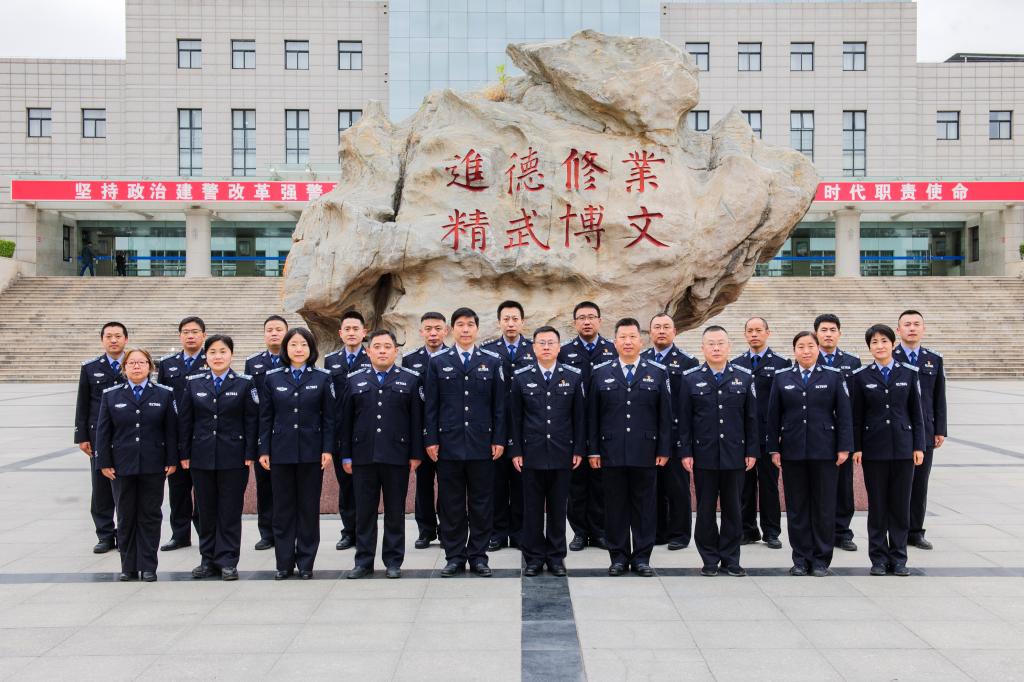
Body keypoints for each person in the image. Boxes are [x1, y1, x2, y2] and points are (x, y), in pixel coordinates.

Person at [424, 307, 506, 577]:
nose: (466, 329)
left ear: (477, 329)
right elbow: (431, 406)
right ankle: (454, 556)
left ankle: (479, 556)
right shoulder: (438, 362)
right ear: (452, 329)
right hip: (448, 444)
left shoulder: (491, 361)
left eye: (470, 324)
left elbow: (499, 405)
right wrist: (431, 439)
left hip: (482, 444)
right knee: (451, 504)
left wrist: (499, 438)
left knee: (482, 504)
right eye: (460, 324)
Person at [587, 318, 671, 577]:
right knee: (615, 508)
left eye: (632, 337)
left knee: (645, 508)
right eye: (622, 337)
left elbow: (665, 415)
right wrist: (593, 450)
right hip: (611, 452)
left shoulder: (657, 371)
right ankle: (618, 557)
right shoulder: (601, 372)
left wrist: (664, 449)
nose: (627, 342)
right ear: (614, 342)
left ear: (641, 341)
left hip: (646, 451)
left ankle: (642, 558)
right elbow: (592, 416)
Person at [338, 330, 424, 579]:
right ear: (368, 351)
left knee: (395, 512)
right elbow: (345, 422)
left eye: (388, 346)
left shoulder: (410, 379)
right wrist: (346, 455)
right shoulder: (354, 380)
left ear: (396, 351)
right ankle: (363, 561)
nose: (383, 351)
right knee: (365, 512)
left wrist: (416, 454)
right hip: (363, 456)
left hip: (397, 455)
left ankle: (393, 561)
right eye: (377, 346)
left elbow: (416, 421)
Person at [766, 331, 853, 577]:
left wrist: (844, 446)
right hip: (792, 450)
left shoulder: (833, 376)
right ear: (794, 351)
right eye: (801, 347)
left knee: (824, 507)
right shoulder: (782, 377)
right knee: (797, 507)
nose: (806, 351)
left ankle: (821, 559)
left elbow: (844, 414)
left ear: (817, 349)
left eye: (810, 346)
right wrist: (773, 448)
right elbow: (773, 416)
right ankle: (801, 558)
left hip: (825, 450)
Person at [678, 326, 758, 577]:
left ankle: (731, 559)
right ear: (702, 348)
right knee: (705, 510)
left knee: (734, 509)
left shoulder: (744, 377)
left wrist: (752, 450)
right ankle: (710, 559)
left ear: (729, 346)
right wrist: (686, 452)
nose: (716, 348)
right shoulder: (690, 378)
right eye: (711, 344)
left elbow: (751, 418)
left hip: (735, 455)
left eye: (720, 343)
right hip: (704, 455)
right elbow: (684, 420)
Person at [178, 335, 259, 581]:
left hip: (234, 457)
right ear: (206, 356)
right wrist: (184, 453)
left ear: (231, 355)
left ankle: (228, 560)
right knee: (205, 510)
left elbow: (252, 420)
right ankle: (208, 559)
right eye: (212, 352)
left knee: (230, 510)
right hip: (201, 456)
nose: (218, 356)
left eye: (223, 351)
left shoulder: (244, 383)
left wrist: (250, 453)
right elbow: (185, 421)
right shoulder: (193, 383)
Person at [258, 327, 336, 580]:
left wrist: (327, 448)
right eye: (293, 344)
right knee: (282, 509)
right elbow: (265, 417)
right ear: (286, 349)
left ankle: (305, 562)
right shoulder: (272, 378)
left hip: (311, 452)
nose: (298, 349)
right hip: (280, 452)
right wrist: (264, 449)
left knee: (308, 509)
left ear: (311, 349)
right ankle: (284, 562)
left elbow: (329, 418)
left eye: (303, 344)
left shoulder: (322, 378)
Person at [508, 326, 586, 577]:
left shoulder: (572, 376)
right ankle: (533, 558)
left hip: (562, 453)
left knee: (557, 509)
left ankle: (555, 557)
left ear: (559, 347)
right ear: (533, 348)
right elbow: (515, 418)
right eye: (541, 343)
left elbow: (579, 417)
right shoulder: (521, 377)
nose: (546, 347)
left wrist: (578, 448)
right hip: (531, 453)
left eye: (551, 343)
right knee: (531, 509)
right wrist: (516, 450)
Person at [95, 348, 177, 582]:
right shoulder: (111, 395)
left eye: (142, 362)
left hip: (154, 464)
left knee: (150, 515)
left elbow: (171, 430)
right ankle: (128, 565)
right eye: (132, 363)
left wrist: (172, 459)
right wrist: (104, 462)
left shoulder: (164, 394)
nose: (137, 366)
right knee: (125, 515)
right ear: (124, 368)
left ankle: (148, 565)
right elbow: (103, 431)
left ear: (150, 367)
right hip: (122, 465)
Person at [850, 324, 926, 576]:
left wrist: (918, 445)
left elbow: (917, 414)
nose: (879, 346)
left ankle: (899, 558)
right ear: (869, 347)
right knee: (878, 506)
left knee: (900, 506)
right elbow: (856, 417)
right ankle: (879, 559)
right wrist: (857, 447)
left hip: (904, 449)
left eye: (884, 341)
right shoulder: (861, 376)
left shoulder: (909, 373)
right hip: (874, 450)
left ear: (893, 344)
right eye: (874, 342)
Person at [559, 301, 617, 552]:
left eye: (591, 317)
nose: (587, 322)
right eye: (582, 318)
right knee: (577, 483)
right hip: (574, 424)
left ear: (600, 321)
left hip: (605, 423)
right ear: (575, 323)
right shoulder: (565, 351)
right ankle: (580, 533)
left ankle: (599, 531)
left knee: (601, 482)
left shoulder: (612, 349)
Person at [732, 316, 790, 550]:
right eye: (750, 331)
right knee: (744, 486)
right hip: (744, 436)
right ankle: (747, 530)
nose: (754, 334)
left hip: (768, 435)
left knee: (769, 485)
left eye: (758, 330)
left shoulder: (782, 363)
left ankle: (771, 531)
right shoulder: (736, 364)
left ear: (768, 333)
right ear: (745, 334)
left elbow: (785, 402)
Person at [641, 312, 698, 551]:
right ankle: (658, 532)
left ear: (674, 332)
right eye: (657, 327)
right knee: (652, 486)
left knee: (677, 487)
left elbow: (690, 404)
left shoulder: (688, 362)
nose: (662, 331)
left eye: (666, 327)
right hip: (648, 435)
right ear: (650, 332)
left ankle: (679, 534)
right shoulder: (642, 359)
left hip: (675, 435)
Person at [483, 300, 535, 552]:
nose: (511, 323)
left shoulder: (534, 348)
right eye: (506, 319)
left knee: (522, 482)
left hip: (527, 425)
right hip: (496, 425)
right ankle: (497, 532)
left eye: (515, 319)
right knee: (496, 482)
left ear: (522, 322)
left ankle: (520, 532)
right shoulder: (489, 351)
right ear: (499, 322)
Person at [893, 310, 947, 550]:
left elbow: (939, 397)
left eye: (916, 324)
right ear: (898, 330)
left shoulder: (932, 359)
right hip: (897, 431)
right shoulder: (889, 356)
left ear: (923, 329)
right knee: (898, 484)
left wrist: (940, 429)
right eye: (907, 324)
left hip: (924, 430)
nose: (912, 328)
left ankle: (915, 531)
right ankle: (897, 531)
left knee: (920, 483)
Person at [74, 321, 128, 553]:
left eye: (118, 336)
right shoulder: (90, 368)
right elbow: (83, 403)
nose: (113, 340)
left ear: (126, 339)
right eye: (109, 336)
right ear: (102, 340)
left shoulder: (134, 363)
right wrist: (82, 436)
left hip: (127, 436)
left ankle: (125, 534)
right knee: (101, 488)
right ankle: (105, 535)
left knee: (126, 487)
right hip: (99, 437)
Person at [156, 316, 208, 551]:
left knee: (203, 489)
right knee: (177, 489)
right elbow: (161, 397)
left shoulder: (212, 359)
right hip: (175, 436)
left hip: (201, 435)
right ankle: (180, 534)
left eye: (195, 332)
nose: (190, 336)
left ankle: (205, 532)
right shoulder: (168, 364)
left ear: (203, 335)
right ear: (180, 336)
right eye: (186, 332)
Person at [814, 313, 863, 553]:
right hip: (816, 433)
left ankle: (842, 532)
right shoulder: (807, 358)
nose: (828, 334)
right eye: (823, 330)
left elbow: (858, 402)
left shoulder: (852, 362)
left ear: (839, 334)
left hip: (844, 432)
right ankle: (820, 530)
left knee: (844, 485)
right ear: (816, 334)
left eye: (832, 330)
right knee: (819, 485)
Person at [323, 310, 371, 551]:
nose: (352, 333)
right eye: (347, 329)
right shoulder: (331, 361)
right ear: (340, 333)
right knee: (345, 484)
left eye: (356, 329)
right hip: (341, 432)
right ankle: (348, 531)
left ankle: (364, 532)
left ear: (364, 332)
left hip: (366, 431)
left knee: (365, 485)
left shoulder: (372, 357)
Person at [402, 311, 449, 549]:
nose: (433, 333)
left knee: (449, 483)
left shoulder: (452, 357)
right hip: (420, 432)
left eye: (437, 328)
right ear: (421, 332)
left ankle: (447, 529)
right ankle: (426, 530)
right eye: (428, 329)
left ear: (446, 331)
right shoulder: (410, 360)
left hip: (447, 431)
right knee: (423, 483)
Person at [244, 314, 289, 550]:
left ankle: (286, 531)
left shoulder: (294, 359)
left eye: (278, 329)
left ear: (286, 333)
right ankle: (267, 532)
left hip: (287, 428)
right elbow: (249, 400)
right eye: (270, 330)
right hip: (262, 430)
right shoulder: (253, 363)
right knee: (264, 485)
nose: (274, 333)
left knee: (286, 486)